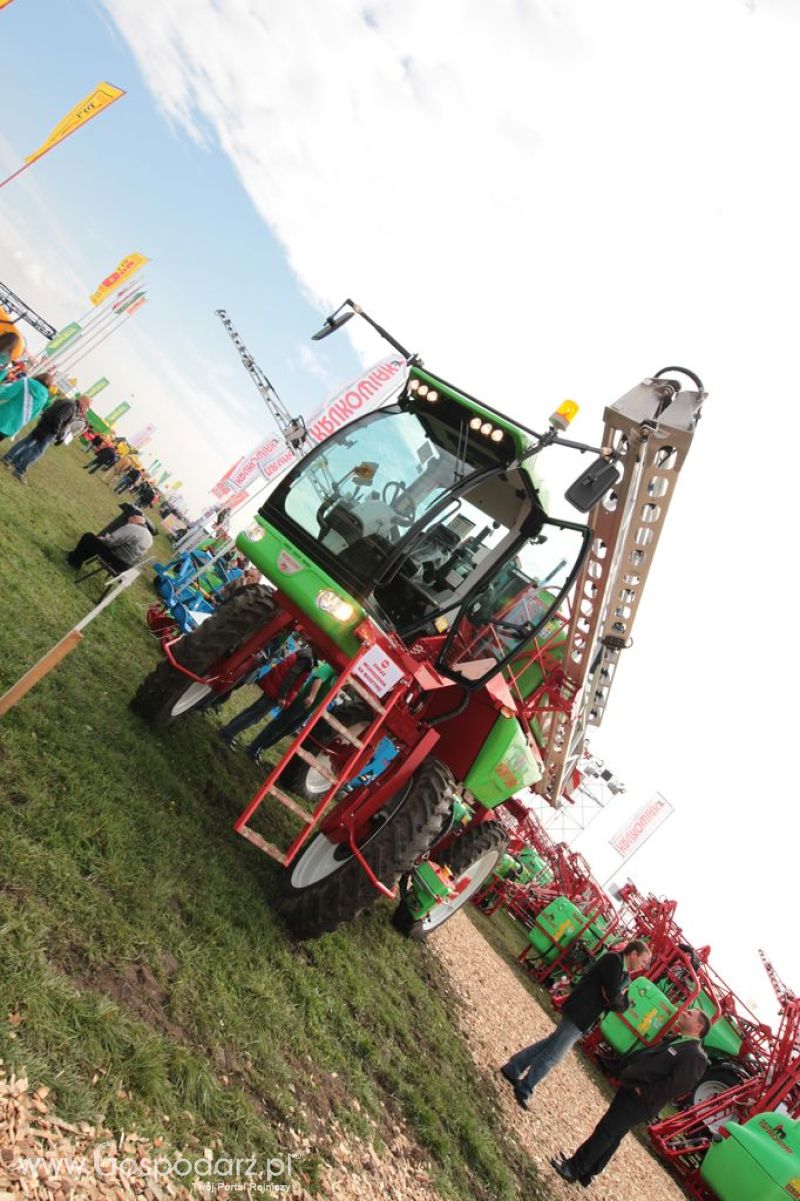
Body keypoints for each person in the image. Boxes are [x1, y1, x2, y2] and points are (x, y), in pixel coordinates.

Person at [551, 1007, 711, 1187]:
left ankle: (573, 1168)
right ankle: (588, 1171)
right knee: (614, 1134)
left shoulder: (696, 1056)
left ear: (698, 1026)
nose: (683, 1013)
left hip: (641, 1100)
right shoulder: (678, 1040)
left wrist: (644, 1092)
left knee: (606, 1131)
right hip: (633, 1089)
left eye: (689, 1014)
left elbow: (676, 1086)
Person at [500, 940, 652, 1109]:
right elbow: (615, 998)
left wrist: (618, 999)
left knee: (551, 1044)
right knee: (554, 1055)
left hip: (585, 1016)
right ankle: (525, 1087)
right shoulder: (613, 962)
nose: (643, 966)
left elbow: (616, 1001)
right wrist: (618, 999)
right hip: (580, 1012)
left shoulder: (623, 975)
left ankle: (513, 1068)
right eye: (643, 961)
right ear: (633, 954)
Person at [219, 642, 316, 757]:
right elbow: (291, 676)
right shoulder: (307, 660)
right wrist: (282, 696)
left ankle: (229, 730)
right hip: (276, 691)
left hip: (275, 687)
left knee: (253, 711)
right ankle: (228, 733)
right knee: (254, 716)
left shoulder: (306, 655)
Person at [246, 655, 338, 763]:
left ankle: (261, 749)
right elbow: (318, 678)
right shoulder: (331, 668)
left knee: (286, 731)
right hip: (302, 702)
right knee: (278, 725)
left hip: (308, 710)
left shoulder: (339, 678)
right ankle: (253, 747)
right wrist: (312, 696)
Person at [3, 393, 89, 481]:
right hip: (49, 430)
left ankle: (9, 458)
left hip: (44, 424)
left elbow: (53, 411)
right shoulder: (71, 406)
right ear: (83, 402)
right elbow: (59, 418)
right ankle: (19, 470)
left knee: (27, 442)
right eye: (87, 405)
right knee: (37, 451)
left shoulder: (69, 402)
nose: (87, 408)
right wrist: (56, 432)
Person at [67, 513, 153, 573]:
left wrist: (102, 539)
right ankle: (76, 557)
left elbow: (111, 542)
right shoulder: (150, 537)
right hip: (125, 567)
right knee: (97, 544)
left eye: (129, 521)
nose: (127, 522)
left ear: (134, 519)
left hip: (115, 560)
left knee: (89, 537)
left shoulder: (133, 527)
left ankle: (75, 561)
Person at [0, 371, 54, 443]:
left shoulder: (26, 382)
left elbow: (7, 393)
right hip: (16, 423)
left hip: (4, 415)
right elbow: (34, 414)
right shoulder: (45, 397)